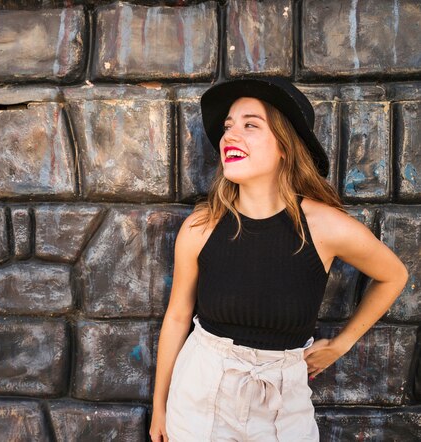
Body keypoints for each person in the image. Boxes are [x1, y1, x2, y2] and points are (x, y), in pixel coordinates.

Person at [149, 77, 408, 441]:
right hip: (198, 397)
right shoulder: (201, 228)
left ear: (285, 146)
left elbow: (394, 275)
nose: (229, 136)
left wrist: (342, 344)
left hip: (284, 405)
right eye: (227, 127)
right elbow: (177, 317)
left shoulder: (325, 227)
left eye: (250, 125)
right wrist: (160, 406)